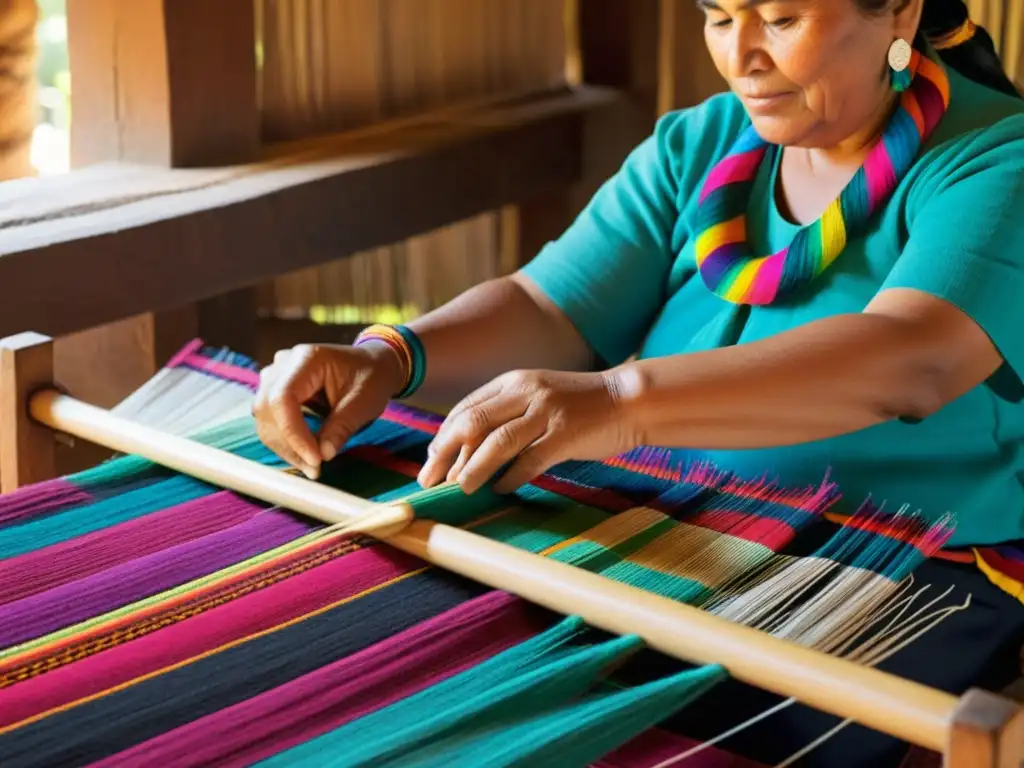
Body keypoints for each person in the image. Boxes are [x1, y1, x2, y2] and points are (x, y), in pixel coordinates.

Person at [254, 0, 1024, 550]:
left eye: (780, 20)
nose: (741, 58)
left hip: (883, 571)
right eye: (719, 17)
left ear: (900, 12)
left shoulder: (997, 160)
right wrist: (387, 357)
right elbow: (549, 308)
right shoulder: (704, 143)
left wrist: (619, 402)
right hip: (655, 529)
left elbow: (912, 357)